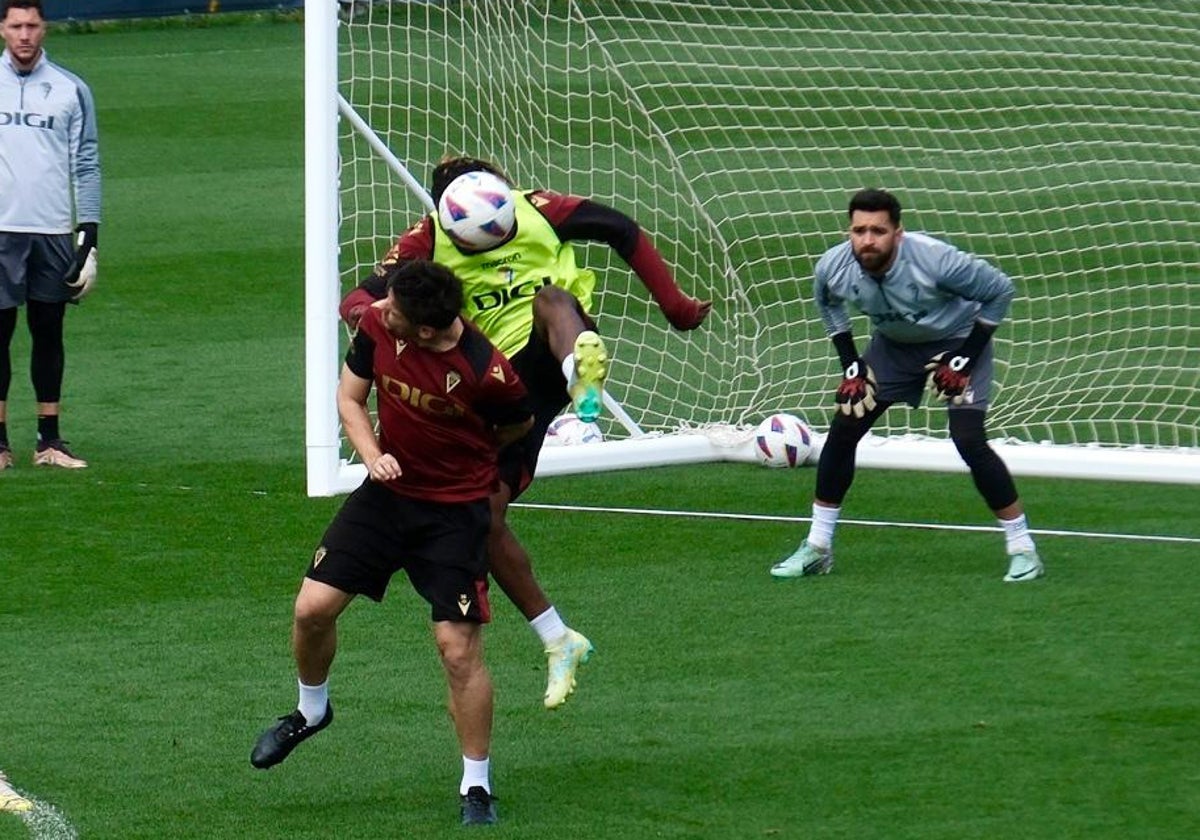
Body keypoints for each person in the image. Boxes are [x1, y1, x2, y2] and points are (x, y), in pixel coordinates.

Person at [341, 155, 712, 707]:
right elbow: (360, 300)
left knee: (554, 299)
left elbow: (618, 228)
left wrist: (676, 306)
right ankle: (558, 638)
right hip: (490, 394)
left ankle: (580, 381)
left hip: (545, 361)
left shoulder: (537, 209)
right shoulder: (424, 243)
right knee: (484, 516)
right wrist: (377, 323)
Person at [251, 261, 534, 826]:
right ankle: (311, 711)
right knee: (311, 609)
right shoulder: (379, 326)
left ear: (426, 330)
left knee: (457, 649)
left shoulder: (488, 373)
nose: (381, 310)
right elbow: (350, 399)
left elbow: (517, 429)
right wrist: (372, 452)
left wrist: (462, 464)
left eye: (397, 311)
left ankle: (476, 785)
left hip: (454, 513)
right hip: (386, 496)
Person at [770, 188, 1043, 583]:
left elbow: (1000, 291)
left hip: (958, 341)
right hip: (894, 349)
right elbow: (828, 305)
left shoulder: (937, 261)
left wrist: (964, 357)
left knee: (968, 439)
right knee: (845, 426)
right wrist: (851, 365)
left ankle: (1023, 548)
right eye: (859, 230)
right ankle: (817, 548)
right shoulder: (833, 266)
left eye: (878, 231)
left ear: (898, 233)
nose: (867, 240)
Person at [0, 0, 100, 471]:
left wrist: (89, 233)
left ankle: (49, 440)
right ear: (2, 29)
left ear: (45, 29)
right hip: (1, 229)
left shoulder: (69, 89)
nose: (24, 35)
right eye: (16, 25)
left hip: (53, 230)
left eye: (32, 26)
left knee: (48, 333)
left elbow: (86, 162)